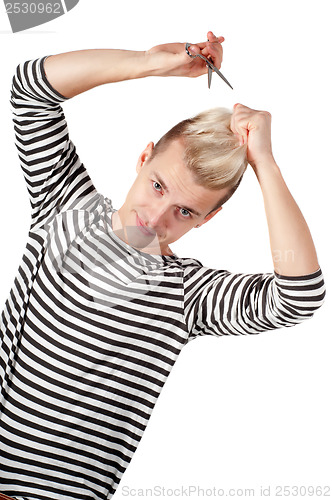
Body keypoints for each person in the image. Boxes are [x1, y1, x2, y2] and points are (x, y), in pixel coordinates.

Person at [0, 31, 326, 500]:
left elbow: (299, 296)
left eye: (186, 211)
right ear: (143, 157)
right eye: (157, 186)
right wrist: (148, 64)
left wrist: (264, 163)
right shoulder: (64, 205)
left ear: (209, 218)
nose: (156, 220)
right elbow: (29, 87)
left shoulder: (188, 294)